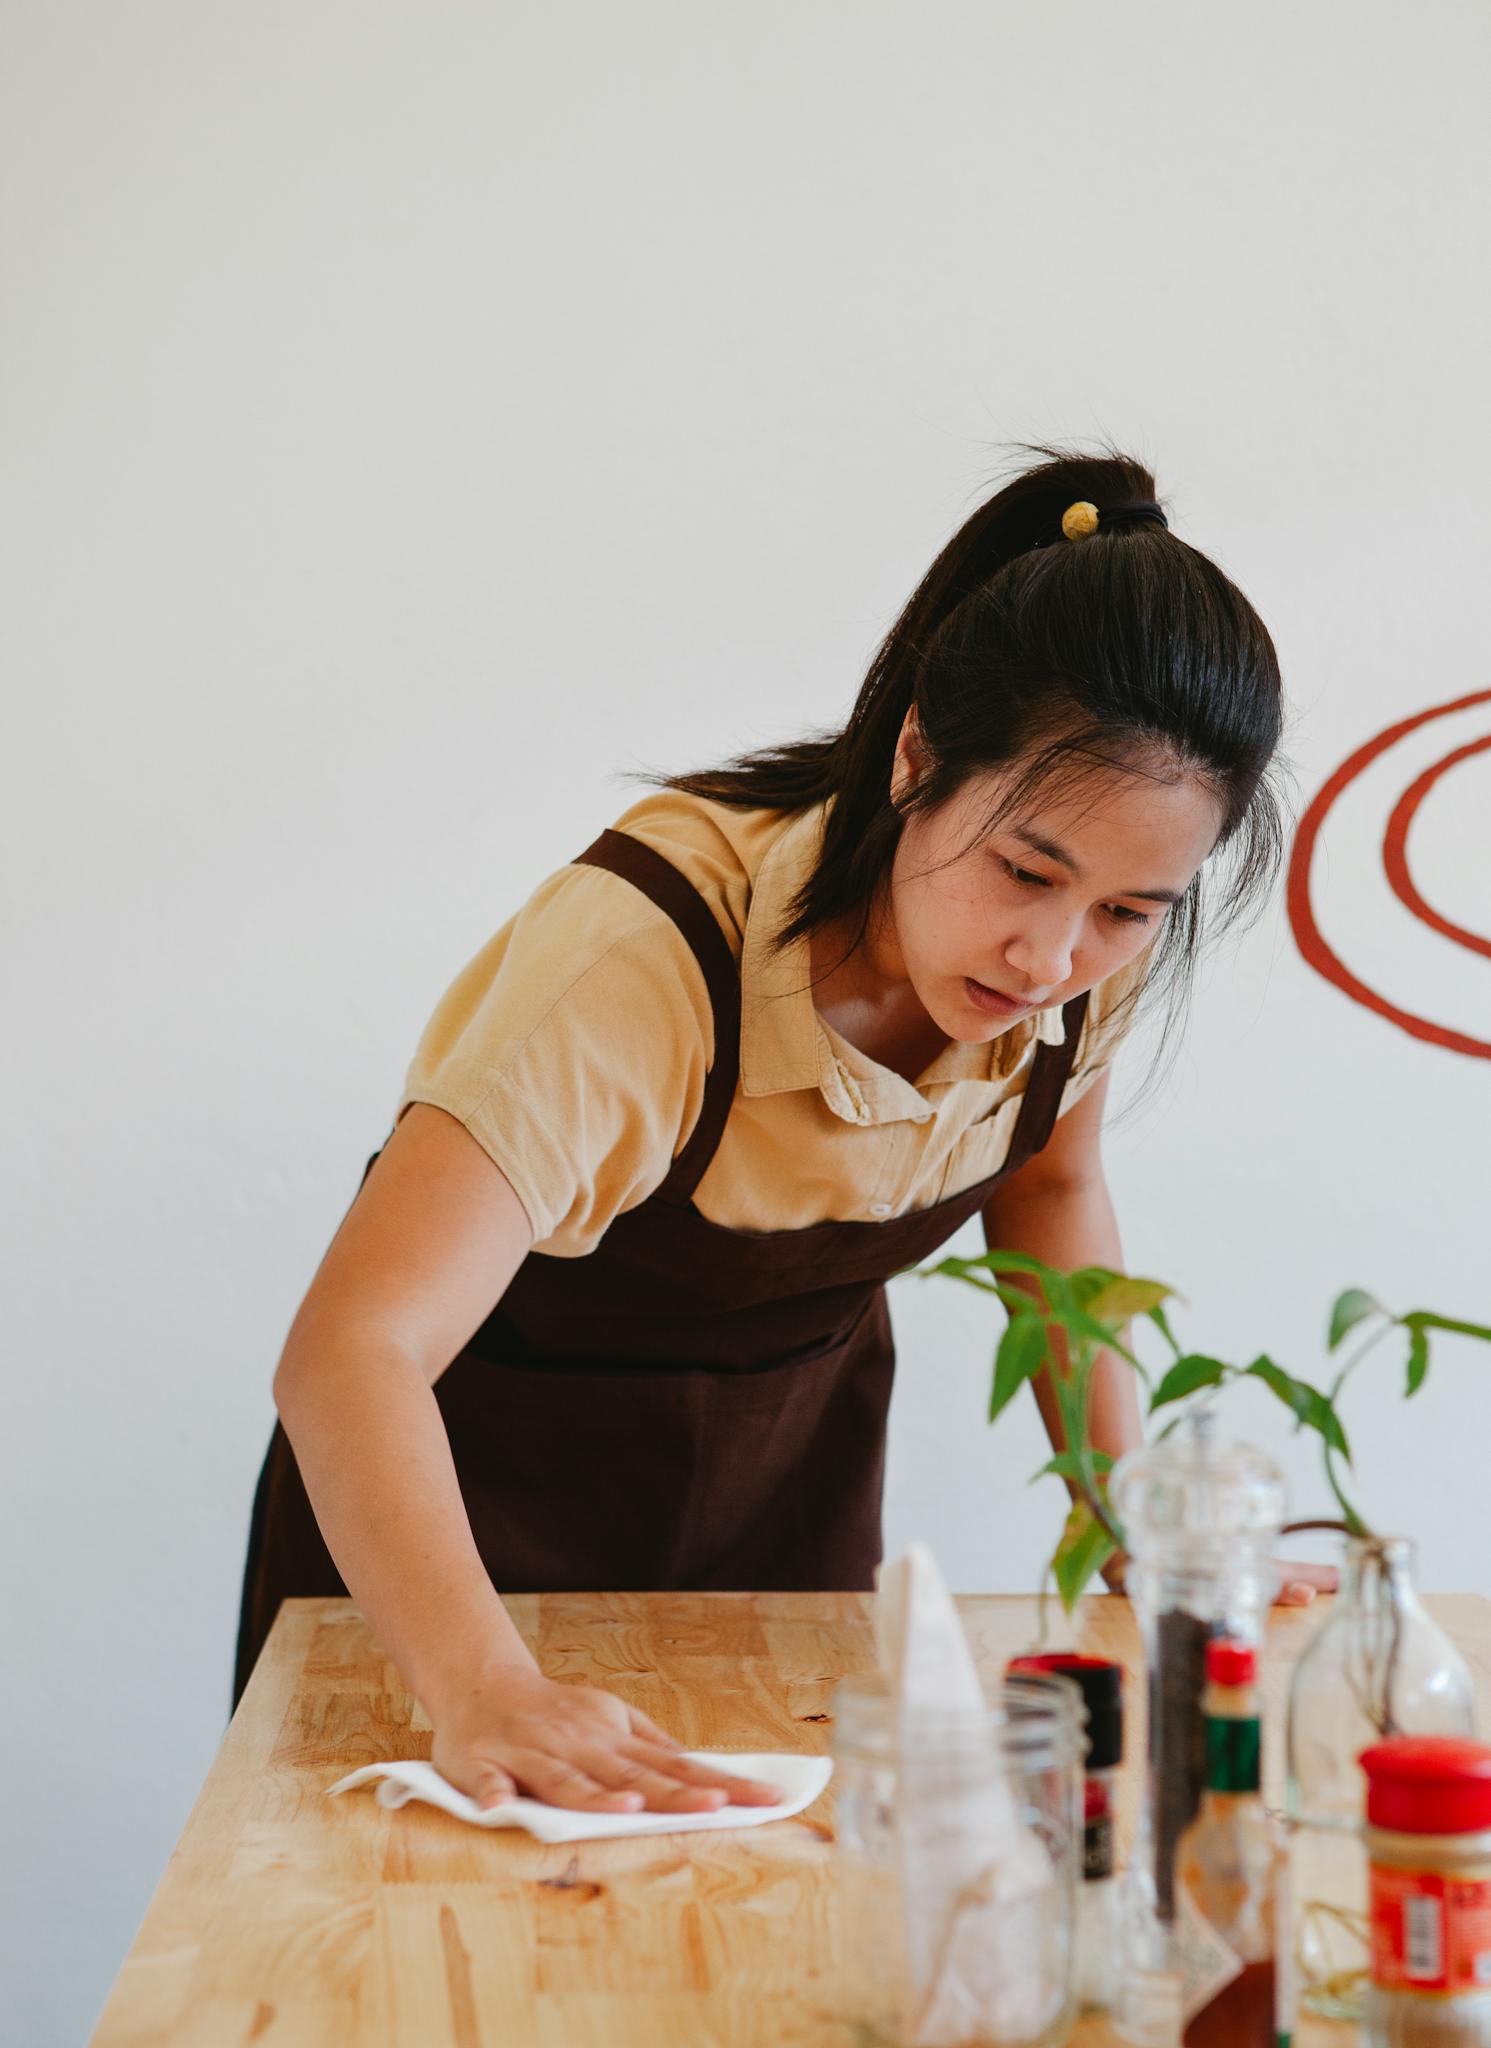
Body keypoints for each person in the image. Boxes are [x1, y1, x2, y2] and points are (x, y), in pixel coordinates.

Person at [236, 445, 1331, 1819]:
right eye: (1025, 870)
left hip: (780, 1521)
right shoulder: (646, 959)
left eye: (1130, 909)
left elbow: (1051, 1185)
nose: (1054, 954)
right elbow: (352, 1347)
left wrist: (1124, 1516)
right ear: (919, 757)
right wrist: (480, 1684)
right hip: (457, 1559)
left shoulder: (1076, 970)